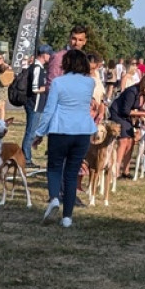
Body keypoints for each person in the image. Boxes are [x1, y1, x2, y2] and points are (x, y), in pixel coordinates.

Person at [33, 49, 97, 228]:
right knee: (71, 173)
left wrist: (39, 133)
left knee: (54, 167)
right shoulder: (90, 83)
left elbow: (49, 109)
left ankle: (54, 197)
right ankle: (67, 217)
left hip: (60, 130)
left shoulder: (58, 83)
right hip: (83, 131)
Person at [109, 74, 145, 178]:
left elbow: (137, 108)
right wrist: (142, 114)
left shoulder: (143, 94)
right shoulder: (132, 91)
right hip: (118, 114)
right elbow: (126, 111)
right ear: (143, 85)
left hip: (126, 116)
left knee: (131, 141)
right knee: (123, 140)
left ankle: (126, 170)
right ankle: (116, 170)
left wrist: (143, 112)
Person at [22, 45, 52, 166]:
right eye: (49, 54)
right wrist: (47, 88)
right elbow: (35, 89)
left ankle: (26, 156)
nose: (50, 56)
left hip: (38, 104)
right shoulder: (37, 68)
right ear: (43, 54)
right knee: (31, 132)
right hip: (35, 104)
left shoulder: (40, 68)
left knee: (32, 131)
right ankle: (26, 158)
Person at [46, 25, 88, 92]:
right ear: (69, 38)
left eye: (80, 40)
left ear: (84, 42)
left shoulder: (84, 60)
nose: (76, 43)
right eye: (74, 39)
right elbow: (51, 85)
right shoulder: (59, 57)